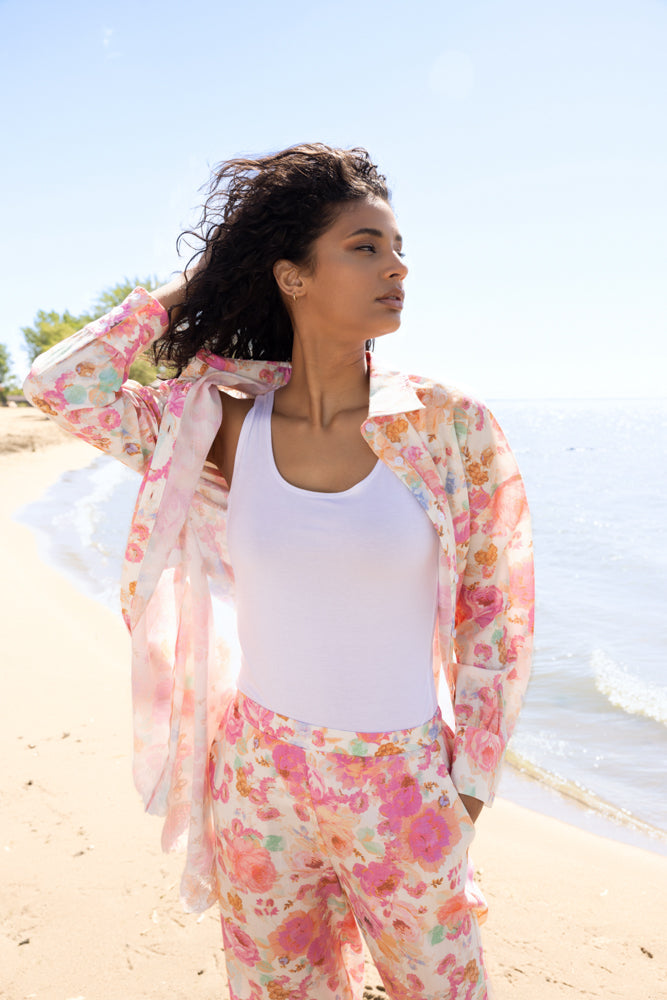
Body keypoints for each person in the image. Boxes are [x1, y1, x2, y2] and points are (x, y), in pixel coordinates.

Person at [24, 143, 534, 1000]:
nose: (397, 267)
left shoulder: (446, 425)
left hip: (403, 783)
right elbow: (62, 384)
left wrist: (469, 788)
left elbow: (495, 615)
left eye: (397, 247)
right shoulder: (221, 424)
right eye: (365, 246)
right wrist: (210, 276)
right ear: (292, 275)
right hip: (259, 774)